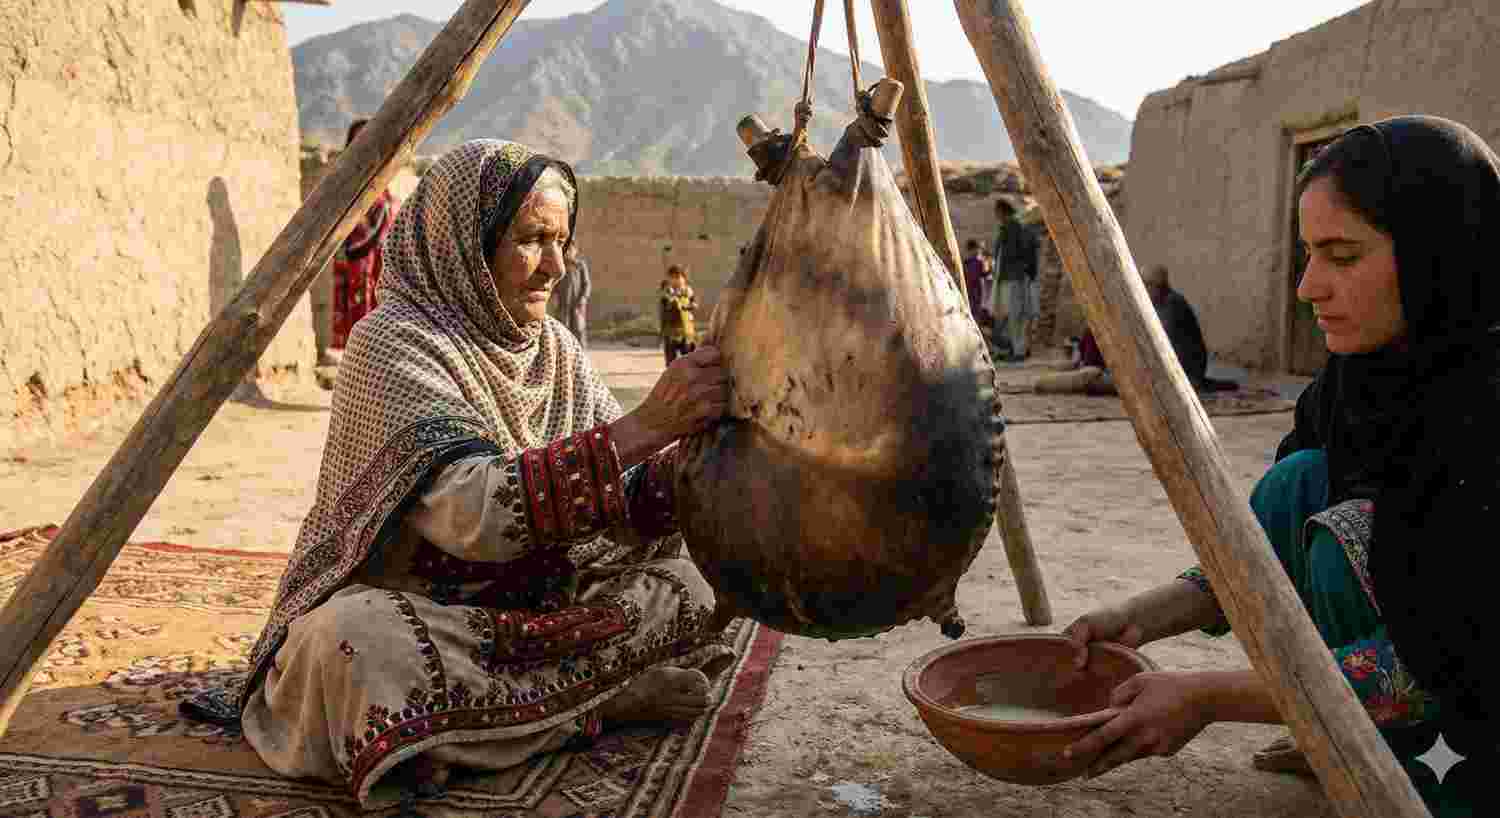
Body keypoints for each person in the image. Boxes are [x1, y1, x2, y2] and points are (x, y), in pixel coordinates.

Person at [180, 140, 735, 807]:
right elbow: (479, 517)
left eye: (564, 241)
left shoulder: (553, 348)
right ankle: (590, 709)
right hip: (425, 618)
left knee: (693, 584)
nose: (554, 267)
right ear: (463, 245)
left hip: (537, 618)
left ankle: (484, 728)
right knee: (356, 649)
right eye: (532, 240)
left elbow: (622, 499)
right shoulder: (393, 342)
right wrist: (648, 424)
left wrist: (698, 460)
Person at [1058, 116, 1498, 817]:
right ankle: (1347, 739)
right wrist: (1135, 620)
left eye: (1343, 256)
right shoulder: (1358, 388)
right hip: (1397, 693)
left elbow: (1436, 664)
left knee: (1343, 535)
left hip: (1474, 722)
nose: (1307, 288)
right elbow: (1260, 556)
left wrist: (1208, 696)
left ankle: (1414, 769)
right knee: (1300, 484)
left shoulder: (1483, 411)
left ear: (1435, 255)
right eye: (1307, 254)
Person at [331, 118, 397, 350]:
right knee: (357, 316)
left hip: (379, 263)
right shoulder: (346, 179)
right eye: (359, 139)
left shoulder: (382, 179)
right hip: (356, 260)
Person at [1142, 265, 1237, 393]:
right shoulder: (1159, 304)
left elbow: (1163, 344)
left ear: (1159, 286)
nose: (1143, 290)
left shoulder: (1173, 305)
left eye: (1147, 285)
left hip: (1186, 374)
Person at [992, 195, 1041, 361]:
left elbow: (1017, 253)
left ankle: (1019, 351)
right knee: (1015, 315)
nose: (995, 215)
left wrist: (1023, 273)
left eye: (997, 211)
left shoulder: (1013, 228)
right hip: (1012, 277)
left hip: (1014, 278)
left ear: (1002, 211)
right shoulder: (1010, 227)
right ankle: (1018, 349)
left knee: (1016, 315)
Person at [551, 242, 592, 347]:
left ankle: (580, 351)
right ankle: (563, 350)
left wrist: (583, 298)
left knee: (578, 327)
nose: (569, 252)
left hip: (577, 302)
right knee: (562, 326)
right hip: (563, 302)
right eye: (567, 249)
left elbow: (586, 284)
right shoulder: (560, 265)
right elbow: (554, 282)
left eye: (571, 249)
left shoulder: (580, 265)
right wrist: (554, 297)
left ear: (576, 251)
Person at [659, 264, 698, 366]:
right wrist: (672, 299)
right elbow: (665, 304)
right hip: (671, 332)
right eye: (672, 278)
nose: (675, 281)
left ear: (684, 279)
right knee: (671, 362)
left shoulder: (688, 291)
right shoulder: (666, 291)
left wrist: (689, 305)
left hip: (686, 331)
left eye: (678, 277)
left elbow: (694, 304)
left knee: (689, 360)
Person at [963, 238, 992, 326]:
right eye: (975, 249)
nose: (976, 251)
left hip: (976, 288)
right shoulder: (969, 262)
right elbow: (986, 273)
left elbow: (985, 274)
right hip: (972, 288)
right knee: (973, 308)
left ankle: (976, 325)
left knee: (976, 308)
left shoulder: (975, 262)